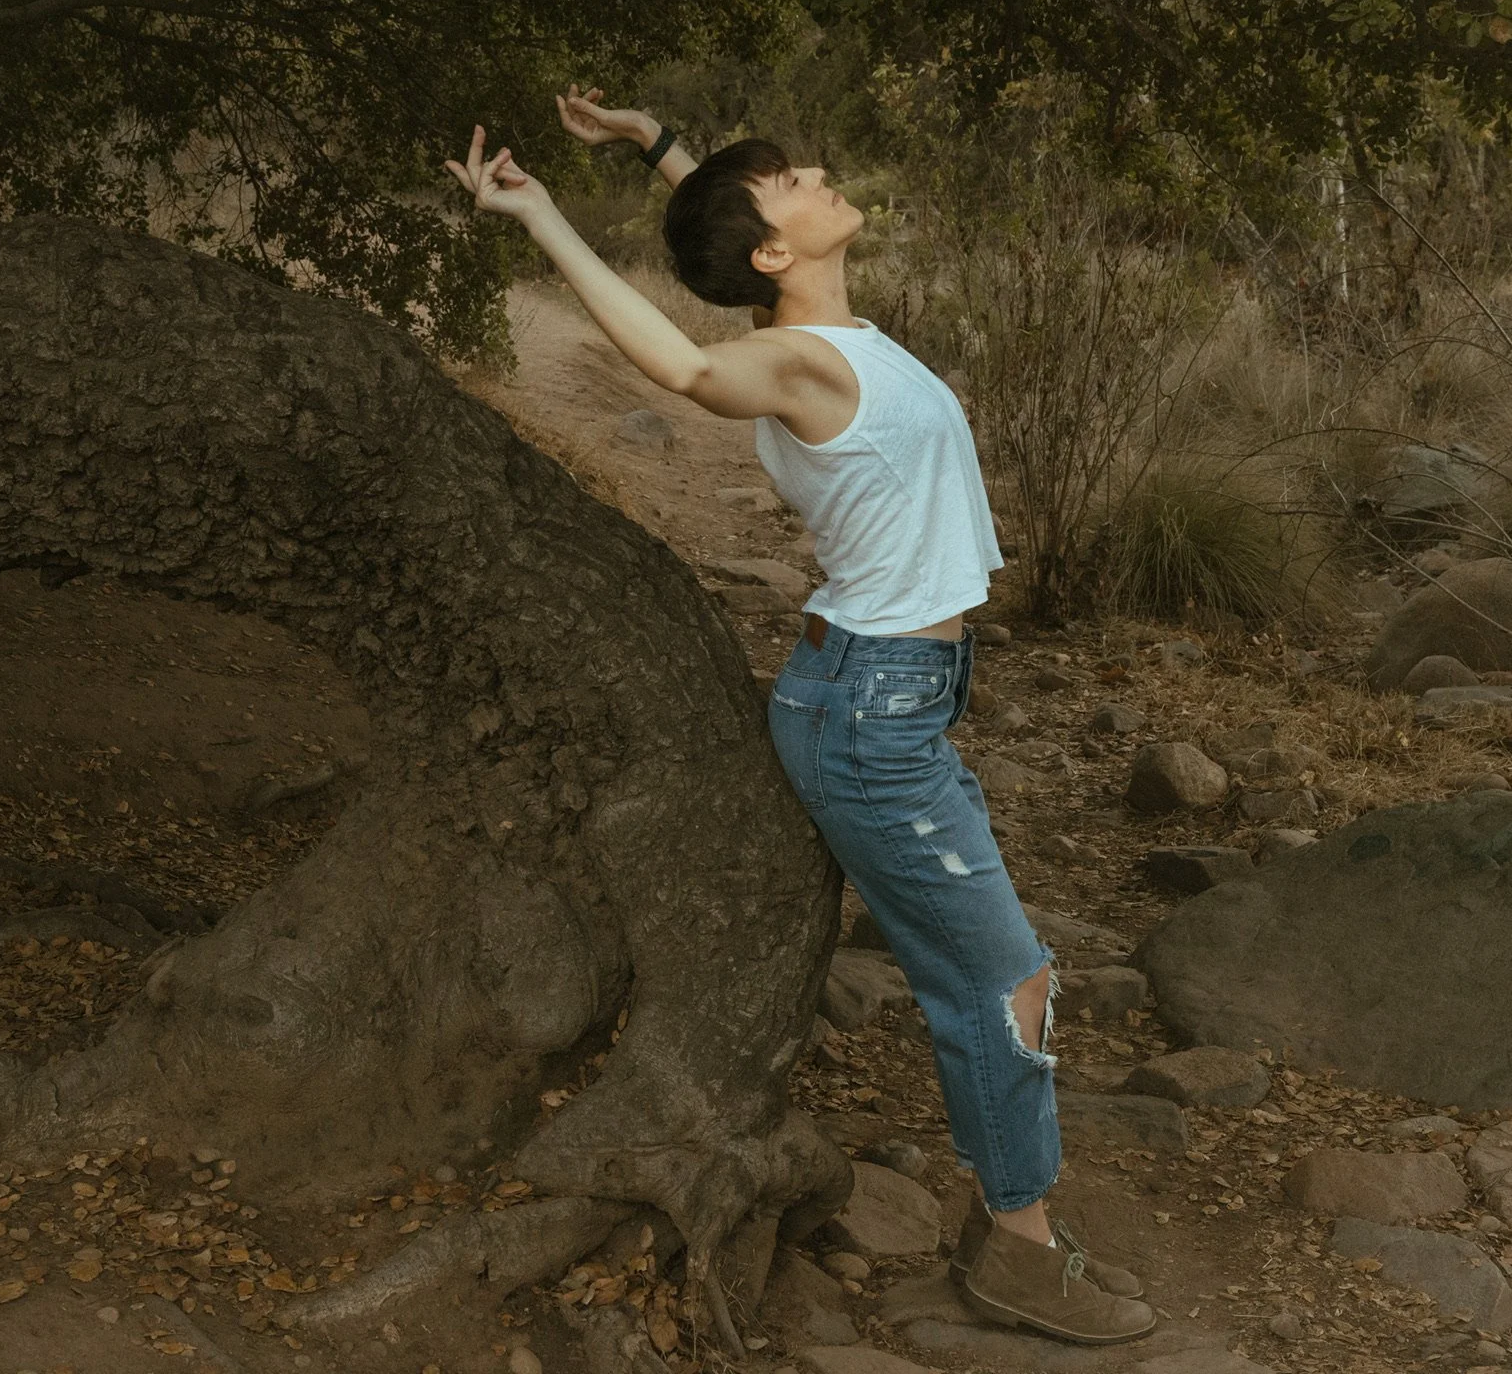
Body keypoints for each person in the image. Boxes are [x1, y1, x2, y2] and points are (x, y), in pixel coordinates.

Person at [443, 90, 1156, 1347]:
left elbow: (733, 247)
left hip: (894, 702)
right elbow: (681, 365)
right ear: (774, 250)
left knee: (1005, 978)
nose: (816, 171)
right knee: (1008, 984)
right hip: (870, 715)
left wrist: (656, 145)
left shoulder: (833, 336)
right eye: (787, 183)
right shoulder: (795, 363)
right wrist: (541, 213)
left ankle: (1010, 1230)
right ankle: (1018, 1252)